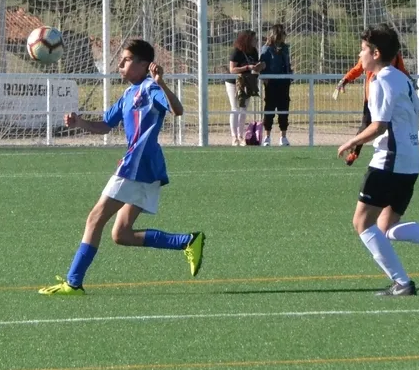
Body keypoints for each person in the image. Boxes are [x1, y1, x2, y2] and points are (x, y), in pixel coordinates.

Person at [38, 39, 205, 295]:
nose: (120, 65)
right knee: (122, 235)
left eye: (126, 60)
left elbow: (178, 110)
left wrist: (161, 82)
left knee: (95, 218)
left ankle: (73, 282)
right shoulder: (128, 94)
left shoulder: (150, 88)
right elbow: (105, 125)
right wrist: (80, 122)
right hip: (148, 168)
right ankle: (187, 241)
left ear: (143, 64)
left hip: (137, 163)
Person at [336, 25, 419, 296]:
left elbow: (379, 125)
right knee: (385, 228)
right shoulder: (403, 79)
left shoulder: (380, 80)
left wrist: (351, 141)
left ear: (376, 53)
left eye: (362, 50)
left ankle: (402, 283)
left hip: (388, 162)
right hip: (410, 161)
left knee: (362, 223)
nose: (359, 55)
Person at [337, 24, 409, 166]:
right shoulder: (369, 61)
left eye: (363, 49)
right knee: (366, 124)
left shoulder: (394, 58)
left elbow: (402, 71)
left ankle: (395, 149)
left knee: (387, 125)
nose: (361, 54)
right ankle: (354, 152)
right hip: (371, 98)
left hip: (390, 97)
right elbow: (357, 69)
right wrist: (345, 80)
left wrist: (410, 82)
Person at [227, 30, 264, 146]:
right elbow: (232, 70)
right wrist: (247, 67)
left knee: (243, 109)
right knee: (235, 108)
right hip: (234, 82)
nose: (256, 41)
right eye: (254, 39)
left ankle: (241, 136)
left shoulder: (253, 51)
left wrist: (260, 67)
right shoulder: (237, 52)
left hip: (247, 82)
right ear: (247, 39)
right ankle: (234, 137)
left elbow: (255, 66)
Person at [259, 24, 293, 146]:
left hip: (284, 83)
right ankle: (267, 137)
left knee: (284, 108)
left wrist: (290, 73)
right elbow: (263, 64)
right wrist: (265, 78)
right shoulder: (267, 49)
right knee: (269, 108)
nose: (285, 36)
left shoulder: (285, 48)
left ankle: (283, 137)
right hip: (272, 84)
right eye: (282, 33)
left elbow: (287, 63)